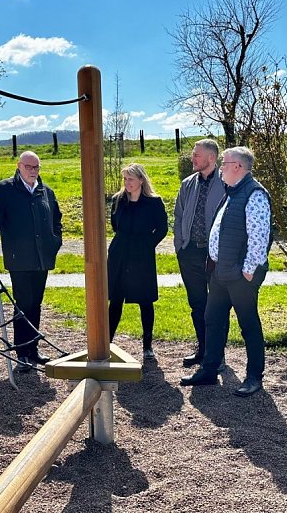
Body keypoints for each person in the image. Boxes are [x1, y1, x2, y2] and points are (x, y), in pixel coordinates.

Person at [180, 146, 272, 397]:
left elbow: (259, 237)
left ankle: (254, 377)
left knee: (248, 324)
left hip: (241, 275)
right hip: (221, 272)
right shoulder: (232, 192)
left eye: (225, 163)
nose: (221, 167)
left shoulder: (254, 194)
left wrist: (249, 271)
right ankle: (209, 370)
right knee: (213, 319)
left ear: (238, 167)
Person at [0, 151, 62, 372]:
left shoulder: (46, 192)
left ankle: (34, 349)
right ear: (19, 166)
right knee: (23, 305)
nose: (33, 171)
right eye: (29, 167)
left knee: (36, 304)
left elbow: (57, 220)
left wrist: (55, 241)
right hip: (19, 258)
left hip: (42, 258)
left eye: (37, 167)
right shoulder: (4, 190)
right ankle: (22, 352)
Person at [107, 163, 169, 361]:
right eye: (125, 179)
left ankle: (147, 346)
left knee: (145, 300)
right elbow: (115, 225)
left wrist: (147, 244)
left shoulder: (154, 202)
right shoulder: (118, 200)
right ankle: (106, 342)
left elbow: (162, 229)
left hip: (142, 256)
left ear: (141, 180)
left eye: (131, 179)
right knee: (115, 300)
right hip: (119, 254)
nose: (127, 183)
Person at [174, 138, 226, 368]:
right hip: (189, 254)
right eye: (193, 154)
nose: (192, 158)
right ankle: (202, 349)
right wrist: (180, 247)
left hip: (215, 255)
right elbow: (177, 217)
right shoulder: (187, 184)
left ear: (211, 158)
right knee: (197, 304)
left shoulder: (226, 183)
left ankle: (218, 355)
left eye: (197, 155)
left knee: (218, 305)